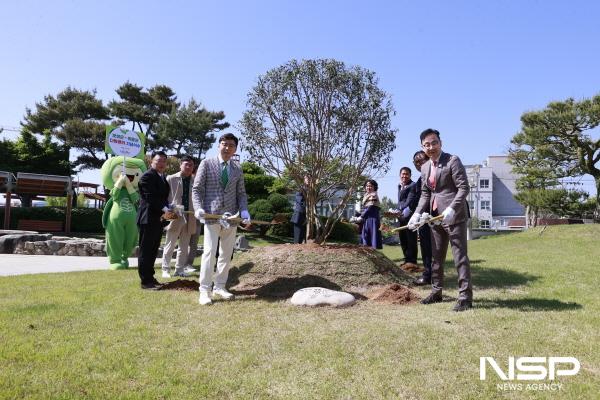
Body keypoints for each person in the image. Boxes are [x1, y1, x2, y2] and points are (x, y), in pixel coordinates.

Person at [408, 129, 473, 311]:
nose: (431, 147)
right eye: (427, 144)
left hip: (454, 216)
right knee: (436, 258)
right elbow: (426, 194)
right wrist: (417, 213)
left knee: (460, 257)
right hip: (434, 218)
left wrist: (453, 208)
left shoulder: (453, 160)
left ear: (440, 143)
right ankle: (436, 292)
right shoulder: (425, 167)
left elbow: (463, 188)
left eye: (434, 142)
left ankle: (465, 297)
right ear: (422, 147)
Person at [192, 133, 250, 305]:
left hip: (231, 218)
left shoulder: (238, 169)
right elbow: (197, 189)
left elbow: (241, 193)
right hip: (211, 216)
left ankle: (220, 286)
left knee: (226, 254)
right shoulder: (206, 163)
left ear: (235, 149)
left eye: (231, 145)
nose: (227, 148)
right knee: (209, 253)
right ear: (219, 145)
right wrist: (198, 208)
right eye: (224, 144)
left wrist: (245, 211)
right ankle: (204, 290)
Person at [136, 151, 170, 290]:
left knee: (153, 250)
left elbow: (163, 198)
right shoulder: (147, 176)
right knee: (146, 250)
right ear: (151, 162)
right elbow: (150, 197)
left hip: (158, 219)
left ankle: (150, 277)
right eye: (158, 160)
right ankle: (145, 281)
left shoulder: (162, 177)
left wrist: (171, 208)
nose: (161, 163)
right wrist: (166, 209)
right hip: (147, 219)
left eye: (163, 161)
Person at [161, 156, 197, 278]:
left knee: (184, 245)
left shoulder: (195, 180)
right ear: (180, 165)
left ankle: (179, 269)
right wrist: (168, 211)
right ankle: (165, 269)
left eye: (191, 165)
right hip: (174, 213)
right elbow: (164, 197)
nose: (188, 167)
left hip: (190, 215)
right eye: (186, 164)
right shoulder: (170, 178)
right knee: (170, 243)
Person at [412, 150, 433, 286]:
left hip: (433, 218)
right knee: (425, 248)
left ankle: (429, 275)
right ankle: (428, 274)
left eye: (422, 160)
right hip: (423, 219)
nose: (419, 164)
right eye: (416, 162)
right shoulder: (421, 179)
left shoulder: (433, 175)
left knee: (431, 249)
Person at [397, 167, 418, 265]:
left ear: (410, 175)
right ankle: (406, 259)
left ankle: (412, 260)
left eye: (406, 174)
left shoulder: (413, 185)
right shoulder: (400, 185)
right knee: (403, 238)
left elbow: (410, 200)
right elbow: (400, 201)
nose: (404, 176)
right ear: (400, 175)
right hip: (401, 216)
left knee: (411, 239)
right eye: (403, 174)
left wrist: (402, 209)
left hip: (410, 215)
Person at [357, 179, 383, 249]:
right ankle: (368, 251)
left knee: (372, 236)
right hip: (368, 218)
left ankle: (373, 253)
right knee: (366, 235)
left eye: (371, 186)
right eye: (367, 186)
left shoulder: (373, 195)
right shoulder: (367, 195)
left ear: (374, 187)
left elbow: (370, 207)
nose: (368, 187)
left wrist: (361, 216)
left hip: (372, 219)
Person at [290, 176, 308, 244]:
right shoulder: (301, 188)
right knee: (298, 233)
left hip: (305, 213)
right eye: (307, 178)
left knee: (303, 232)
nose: (308, 180)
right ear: (304, 179)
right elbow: (299, 201)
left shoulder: (310, 189)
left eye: (310, 178)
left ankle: (300, 245)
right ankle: (296, 246)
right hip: (299, 213)